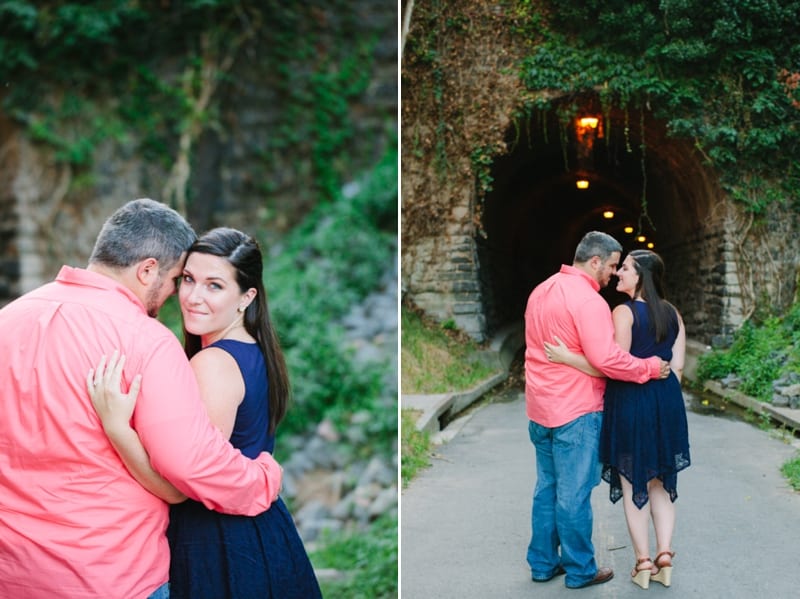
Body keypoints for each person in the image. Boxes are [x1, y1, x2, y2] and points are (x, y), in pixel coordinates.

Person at [0, 199, 283, 599]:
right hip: (108, 575)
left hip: (11, 573)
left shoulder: (9, 320)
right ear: (148, 269)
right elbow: (188, 467)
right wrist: (261, 479)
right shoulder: (145, 340)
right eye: (178, 280)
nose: (178, 296)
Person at [89, 227, 322, 598]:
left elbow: (181, 483)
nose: (193, 297)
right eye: (187, 280)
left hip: (219, 542)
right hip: (256, 531)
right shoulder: (252, 349)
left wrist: (118, 428)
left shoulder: (213, 363)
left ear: (246, 297)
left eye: (214, 285)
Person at [524, 230, 671, 589]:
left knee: (547, 488)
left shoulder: (540, 291)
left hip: (539, 408)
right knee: (572, 494)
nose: (611, 273)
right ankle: (580, 570)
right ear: (593, 261)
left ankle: (543, 564)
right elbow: (607, 360)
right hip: (575, 410)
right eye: (609, 265)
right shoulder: (588, 302)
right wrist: (650, 368)